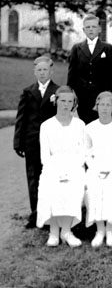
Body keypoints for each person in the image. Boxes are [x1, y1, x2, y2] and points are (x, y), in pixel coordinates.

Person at [13, 55, 59, 228]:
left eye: (45, 69)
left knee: (49, 176)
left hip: (51, 142)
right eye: (39, 70)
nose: (42, 73)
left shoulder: (58, 91)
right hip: (32, 141)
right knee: (33, 177)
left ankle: (51, 213)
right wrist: (18, 142)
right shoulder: (28, 91)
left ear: (51, 71)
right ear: (34, 72)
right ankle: (36, 214)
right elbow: (21, 118)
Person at [36, 86, 86, 247]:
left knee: (72, 190)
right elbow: (45, 155)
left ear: (74, 104)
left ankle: (66, 231)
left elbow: (82, 152)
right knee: (52, 190)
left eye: (70, 101)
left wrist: (71, 171)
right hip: (53, 168)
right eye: (63, 101)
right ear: (56, 101)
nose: (66, 104)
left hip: (74, 168)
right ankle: (53, 232)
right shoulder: (46, 126)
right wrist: (57, 172)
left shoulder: (80, 125)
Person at [84, 91, 112, 248]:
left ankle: (110, 229)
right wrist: (96, 169)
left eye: (108, 105)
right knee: (93, 189)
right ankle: (100, 230)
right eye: (101, 105)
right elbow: (87, 153)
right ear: (96, 106)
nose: (104, 108)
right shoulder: (89, 128)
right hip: (96, 169)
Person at [67, 14, 112, 124]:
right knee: (84, 122)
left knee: (99, 123)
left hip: (100, 95)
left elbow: (111, 75)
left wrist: (109, 94)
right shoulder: (77, 48)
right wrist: (71, 93)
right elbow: (72, 74)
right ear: (83, 30)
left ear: (99, 29)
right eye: (88, 27)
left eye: (94, 27)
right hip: (82, 95)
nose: (91, 29)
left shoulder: (107, 48)